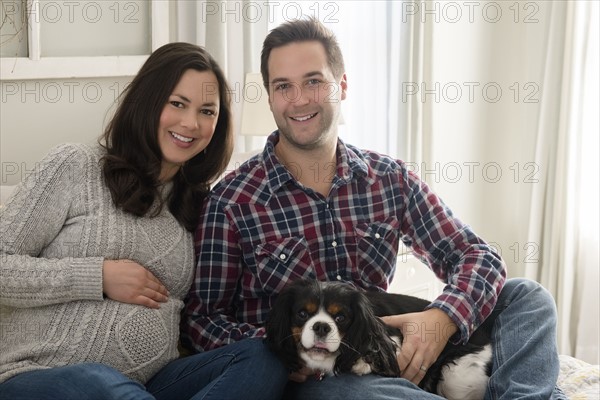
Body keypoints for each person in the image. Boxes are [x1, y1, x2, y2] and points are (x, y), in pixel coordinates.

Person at [181, 18, 568, 399]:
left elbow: (476, 255)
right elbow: (200, 322)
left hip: (385, 347)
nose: (298, 99)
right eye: (283, 86)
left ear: (342, 85)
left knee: (526, 296)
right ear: (269, 97)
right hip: (320, 380)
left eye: (313, 81)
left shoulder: (389, 179)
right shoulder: (232, 202)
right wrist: (286, 346)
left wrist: (442, 318)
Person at [0, 42, 287, 400]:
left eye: (207, 111)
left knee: (263, 356)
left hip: (149, 386)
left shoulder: (200, 205)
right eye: (177, 103)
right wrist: (99, 276)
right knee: (100, 382)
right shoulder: (76, 165)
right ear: (148, 101)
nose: (190, 123)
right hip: (39, 375)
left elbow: (210, 309)